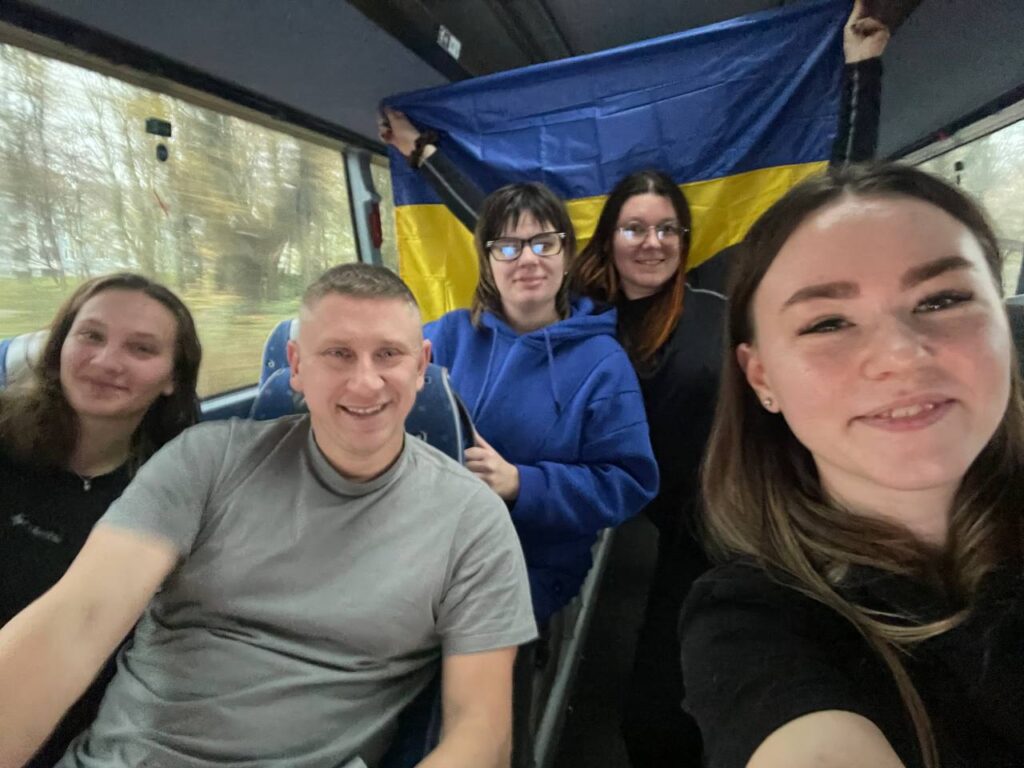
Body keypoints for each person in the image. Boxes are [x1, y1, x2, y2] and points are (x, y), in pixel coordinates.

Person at [380, 4, 891, 765]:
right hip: (678, 523)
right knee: (655, 714)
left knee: (800, 671)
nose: (651, 243)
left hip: (756, 499)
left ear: (685, 239)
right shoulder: (583, 307)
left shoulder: (724, 290)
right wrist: (424, 155)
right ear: (605, 238)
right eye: (633, 228)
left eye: (666, 229)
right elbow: (500, 232)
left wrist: (859, 74)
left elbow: (835, 206)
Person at [0, 264, 537, 768]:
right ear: (297, 367)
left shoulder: (473, 522)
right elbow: (75, 623)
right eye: (338, 354)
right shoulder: (205, 461)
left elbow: (481, 729)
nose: (365, 382)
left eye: (388, 355)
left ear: (421, 367)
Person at [679, 163, 1024, 768]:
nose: (900, 356)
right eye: (828, 323)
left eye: (942, 299)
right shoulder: (754, 621)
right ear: (761, 377)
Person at [423, 183, 659, 625]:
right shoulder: (447, 336)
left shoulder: (604, 364)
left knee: (439, 632)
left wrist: (521, 484)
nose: (528, 259)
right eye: (507, 247)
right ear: (488, 263)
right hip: (433, 542)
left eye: (544, 243)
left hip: (530, 562)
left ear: (566, 257)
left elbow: (628, 483)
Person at [0, 272, 202, 768]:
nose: (107, 361)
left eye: (141, 348)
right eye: (91, 335)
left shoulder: (177, 492)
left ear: (172, 379)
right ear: (60, 347)